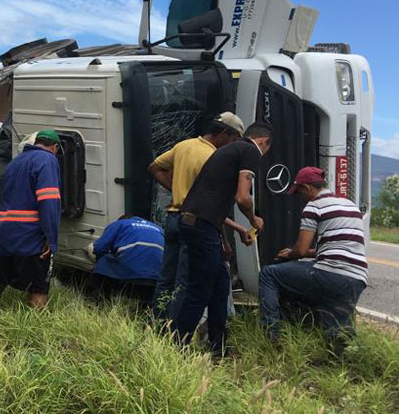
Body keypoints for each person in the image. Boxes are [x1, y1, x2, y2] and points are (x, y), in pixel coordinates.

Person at [172, 122, 273, 354]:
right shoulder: (250, 151)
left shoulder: (226, 152)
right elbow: (242, 197)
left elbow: (212, 205)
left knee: (219, 287)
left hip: (199, 224)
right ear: (264, 142)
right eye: (267, 148)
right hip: (201, 227)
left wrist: (226, 241)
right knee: (200, 290)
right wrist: (253, 219)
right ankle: (178, 347)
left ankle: (218, 346)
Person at [149, 112, 252, 323]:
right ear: (223, 133)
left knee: (166, 277)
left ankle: (158, 322)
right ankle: (176, 331)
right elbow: (211, 209)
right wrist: (225, 240)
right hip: (195, 223)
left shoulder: (183, 145)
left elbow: (155, 167)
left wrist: (175, 190)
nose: (232, 145)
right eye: (232, 140)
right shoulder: (214, 158)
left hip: (173, 218)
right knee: (185, 281)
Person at [258, 167, 367, 347]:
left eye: (300, 191)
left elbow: (300, 250)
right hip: (357, 278)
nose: (300, 197)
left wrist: (290, 253)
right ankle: (345, 363)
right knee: (337, 334)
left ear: (307, 188)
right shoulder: (350, 205)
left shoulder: (314, 206)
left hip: (330, 273)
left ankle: (271, 334)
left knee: (269, 274)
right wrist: (308, 253)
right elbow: (335, 246)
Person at [0, 129, 62, 309]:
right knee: (38, 289)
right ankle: (36, 334)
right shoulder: (47, 160)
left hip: (6, 235)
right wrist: (50, 237)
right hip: (31, 237)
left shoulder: (15, 162)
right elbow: (48, 200)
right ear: (55, 147)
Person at [86, 214, 165, 309]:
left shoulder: (120, 224)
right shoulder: (159, 229)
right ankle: (145, 310)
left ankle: (102, 304)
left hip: (129, 279)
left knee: (103, 260)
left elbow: (98, 249)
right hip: (156, 281)